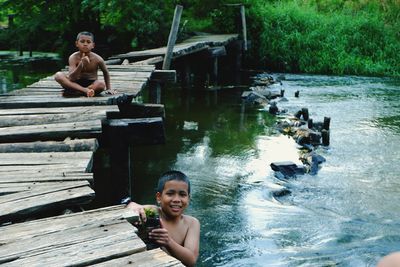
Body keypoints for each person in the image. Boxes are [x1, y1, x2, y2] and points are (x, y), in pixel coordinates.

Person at [127, 170, 200, 267]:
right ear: (159, 197)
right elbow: (130, 205)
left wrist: (168, 241)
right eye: (170, 193)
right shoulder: (153, 212)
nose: (177, 200)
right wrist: (136, 208)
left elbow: (191, 261)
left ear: (188, 198)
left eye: (182, 195)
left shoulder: (192, 223)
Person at [54, 31, 116, 97]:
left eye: (88, 42)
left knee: (101, 84)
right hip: (75, 83)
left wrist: (109, 88)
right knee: (58, 75)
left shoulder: (98, 59)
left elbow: (105, 72)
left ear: (93, 45)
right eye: (82, 41)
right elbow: (72, 78)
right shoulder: (73, 57)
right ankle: (85, 91)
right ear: (77, 44)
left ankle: (77, 92)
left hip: (91, 84)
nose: (85, 44)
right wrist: (81, 64)